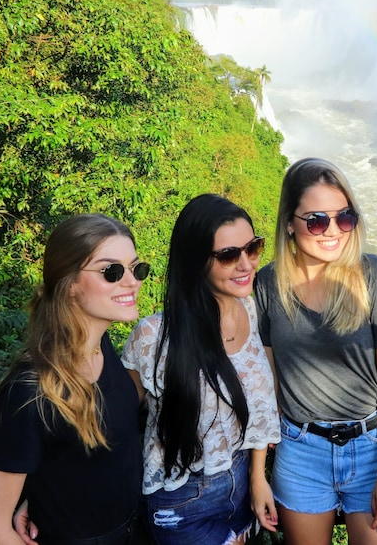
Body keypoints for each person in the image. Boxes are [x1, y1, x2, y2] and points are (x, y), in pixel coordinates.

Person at [0, 214, 149, 545]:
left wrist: (38, 492)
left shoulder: (102, 349)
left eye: (136, 269)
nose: (132, 282)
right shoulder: (30, 391)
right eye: (112, 272)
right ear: (68, 283)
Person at [254, 158, 377, 545]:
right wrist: (258, 473)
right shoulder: (268, 285)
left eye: (344, 218)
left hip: (371, 449)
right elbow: (266, 384)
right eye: (317, 220)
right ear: (290, 222)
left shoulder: (375, 276)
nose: (333, 231)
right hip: (300, 452)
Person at [121, 194, 280, 544]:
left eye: (252, 247)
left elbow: (259, 412)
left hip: (241, 494)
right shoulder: (153, 337)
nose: (246, 264)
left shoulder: (252, 313)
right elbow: (110, 421)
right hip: (180, 501)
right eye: (228, 255)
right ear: (195, 262)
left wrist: (257, 480)